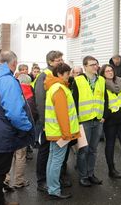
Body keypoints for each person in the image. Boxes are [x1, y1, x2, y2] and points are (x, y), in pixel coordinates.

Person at [0, 51, 34, 205]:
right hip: (1, 135)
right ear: (14, 63)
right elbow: (15, 113)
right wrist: (27, 127)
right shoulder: (8, 81)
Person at [44, 63, 80, 199]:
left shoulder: (53, 87)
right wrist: (66, 134)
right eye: (67, 73)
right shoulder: (59, 89)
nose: (69, 76)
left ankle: (51, 187)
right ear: (60, 74)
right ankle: (54, 190)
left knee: (52, 159)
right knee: (56, 161)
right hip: (61, 133)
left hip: (55, 132)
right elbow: (62, 114)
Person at [71, 56, 105, 187]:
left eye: (96, 64)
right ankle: (83, 176)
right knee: (83, 150)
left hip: (97, 119)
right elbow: (74, 101)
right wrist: (76, 120)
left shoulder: (101, 80)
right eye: (92, 65)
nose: (95, 67)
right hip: (83, 121)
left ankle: (91, 174)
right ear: (85, 67)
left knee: (93, 149)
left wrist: (104, 115)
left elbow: (104, 98)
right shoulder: (78, 80)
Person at [34, 50, 65, 192]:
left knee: (54, 152)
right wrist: (44, 122)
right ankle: (41, 181)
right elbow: (40, 101)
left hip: (55, 122)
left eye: (61, 59)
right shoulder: (44, 76)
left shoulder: (56, 74)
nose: (61, 61)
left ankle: (53, 178)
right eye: (58, 60)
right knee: (45, 151)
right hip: (47, 123)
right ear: (50, 62)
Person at [4, 74, 38, 191]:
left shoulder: (8, 91)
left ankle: (6, 180)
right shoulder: (29, 94)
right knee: (20, 156)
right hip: (21, 129)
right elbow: (32, 113)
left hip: (7, 129)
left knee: (7, 156)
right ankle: (19, 181)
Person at [100, 64, 121, 179]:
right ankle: (111, 170)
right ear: (103, 74)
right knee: (110, 145)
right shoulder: (102, 84)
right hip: (110, 120)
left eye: (111, 70)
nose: (110, 72)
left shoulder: (120, 81)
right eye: (107, 71)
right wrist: (106, 115)